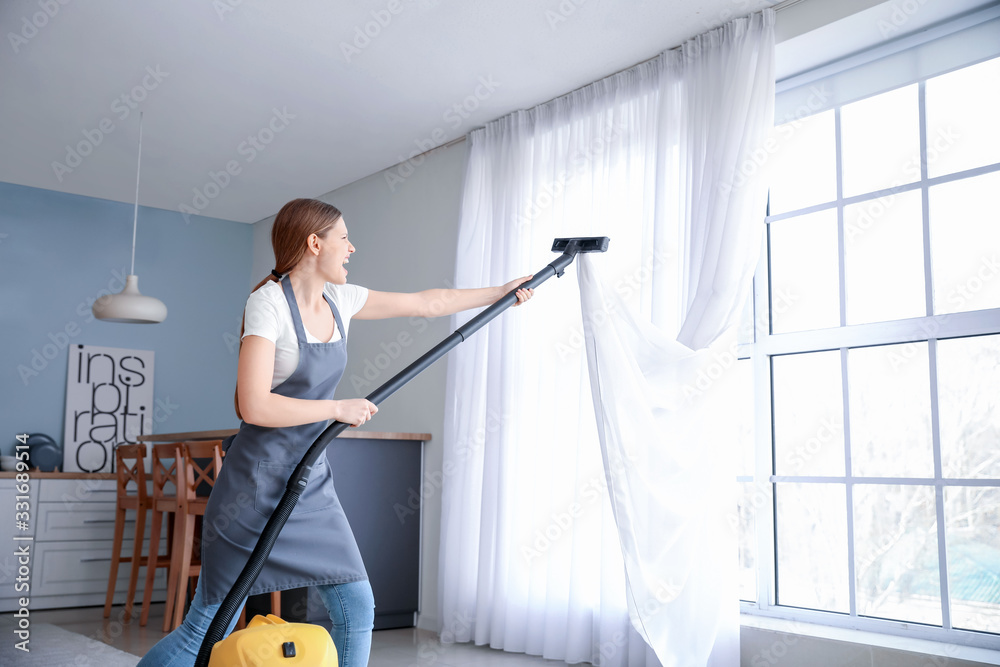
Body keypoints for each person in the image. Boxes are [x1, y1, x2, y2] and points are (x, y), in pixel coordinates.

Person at [138, 198, 533, 667]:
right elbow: (254, 403)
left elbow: (430, 302)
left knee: (356, 603)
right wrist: (335, 408)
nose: (351, 247)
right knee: (207, 625)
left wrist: (502, 292)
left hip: (309, 481)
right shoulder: (268, 304)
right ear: (314, 243)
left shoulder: (339, 301)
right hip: (255, 487)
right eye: (343, 237)